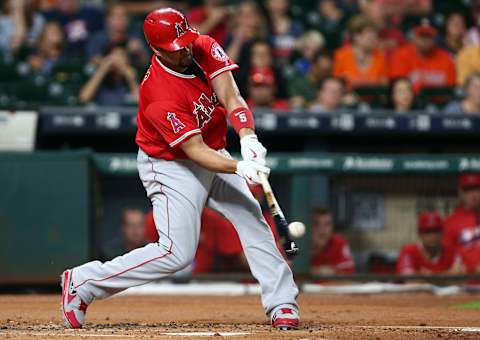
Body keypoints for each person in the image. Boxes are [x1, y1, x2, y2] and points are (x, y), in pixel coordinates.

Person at [60, 8, 299, 331]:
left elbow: (231, 95)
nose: (185, 50)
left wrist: (247, 136)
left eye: (186, 41)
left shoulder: (201, 46)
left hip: (214, 152)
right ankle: (83, 282)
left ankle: (282, 302)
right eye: (176, 47)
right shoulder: (158, 93)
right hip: (170, 166)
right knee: (176, 253)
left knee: (252, 219)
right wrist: (239, 166)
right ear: (155, 50)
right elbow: (194, 151)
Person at [389, 19, 456, 93]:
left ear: (434, 38)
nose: (425, 40)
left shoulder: (445, 58)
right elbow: (398, 90)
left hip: (439, 103)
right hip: (410, 103)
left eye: (428, 36)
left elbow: (450, 89)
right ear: (413, 37)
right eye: (421, 36)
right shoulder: (401, 55)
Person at [85, 4, 148, 68]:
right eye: (116, 16)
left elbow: (146, 63)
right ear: (107, 19)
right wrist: (114, 60)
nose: (120, 20)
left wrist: (140, 51)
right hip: (105, 74)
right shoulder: (98, 38)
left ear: (128, 20)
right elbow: (92, 59)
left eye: (124, 16)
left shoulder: (134, 36)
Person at [333, 15, 388, 88]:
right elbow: (335, 84)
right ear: (356, 36)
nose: (373, 39)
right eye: (369, 36)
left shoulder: (380, 56)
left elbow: (384, 86)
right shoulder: (341, 55)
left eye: (374, 36)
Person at [396, 212, 458, 276]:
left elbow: (459, 275)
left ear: (442, 233)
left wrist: (430, 276)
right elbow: (409, 279)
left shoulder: (450, 251)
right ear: (420, 234)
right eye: (428, 232)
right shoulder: (409, 251)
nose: (433, 236)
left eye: (436, 231)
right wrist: (446, 275)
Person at [310, 207, 355, 276]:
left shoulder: (339, 242)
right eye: (316, 224)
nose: (322, 230)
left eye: (327, 224)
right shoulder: (298, 245)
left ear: (332, 226)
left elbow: (348, 275)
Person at [444, 173, 480, 251]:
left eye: (477, 189)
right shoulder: (451, 223)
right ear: (461, 193)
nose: (473, 195)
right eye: (468, 190)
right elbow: (447, 255)